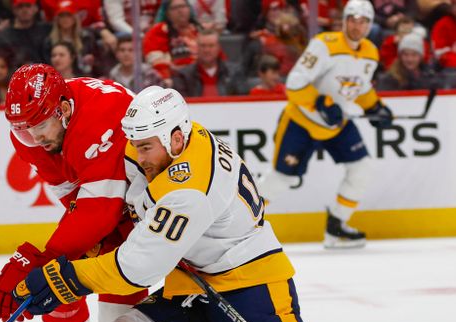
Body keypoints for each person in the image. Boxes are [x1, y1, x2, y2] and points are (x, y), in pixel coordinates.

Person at [0, 85, 456, 322]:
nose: (136, 158)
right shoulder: (169, 141)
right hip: (195, 283)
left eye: (146, 148)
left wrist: (64, 276)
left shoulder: (187, 186)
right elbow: (132, 191)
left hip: (254, 288)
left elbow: (136, 270)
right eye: (133, 145)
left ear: (177, 138)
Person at [0, 64, 147, 322]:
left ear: (62, 110)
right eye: (23, 128)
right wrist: (68, 249)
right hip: (105, 198)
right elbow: (72, 193)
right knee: (58, 274)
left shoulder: (101, 115)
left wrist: (42, 259)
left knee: (120, 277)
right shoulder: (29, 132)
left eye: (40, 126)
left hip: (149, 203)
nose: (33, 137)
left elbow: (99, 211)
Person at [260, 0, 393, 249]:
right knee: (281, 179)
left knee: (361, 168)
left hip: (336, 123)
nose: (357, 25)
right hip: (302, 120)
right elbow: (295, 83)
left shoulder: (370, 53)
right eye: (353, 19)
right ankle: (239, 223)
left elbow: (360, 87)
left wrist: (375, 107)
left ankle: (337, 227)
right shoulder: (324, 45)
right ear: (344, 20)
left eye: (364, 20)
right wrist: (320, 102)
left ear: (370, 24)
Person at [171, 28, 247, 97]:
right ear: (197, 47)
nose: (206, 50)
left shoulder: (234, 72)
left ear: (218, 47)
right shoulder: (183, 76)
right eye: (203, 46)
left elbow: (242, 101)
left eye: (211, 46)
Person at [142, 0, 201, 82]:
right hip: (175, 79)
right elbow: (157, 63)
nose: (180, 10)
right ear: (167, 12)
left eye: (183, 6)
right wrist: (167, 78)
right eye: (175, 8)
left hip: (202, 77)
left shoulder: (199, 29)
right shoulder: (157, 31)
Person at [0, 0, 52, 68]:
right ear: (14, 9)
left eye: (28, 6)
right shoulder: (3, 37)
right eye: (20, 6)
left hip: (44, 75)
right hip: (14, 76)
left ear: (36, 8)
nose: (24, 10)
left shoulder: (46, 30)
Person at [376, 32, 440, 89]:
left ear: (421, 56)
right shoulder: (389, 79)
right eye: (406, 54)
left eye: (414, 55)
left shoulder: (429, 75)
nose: (410, 59)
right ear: (400, 56)